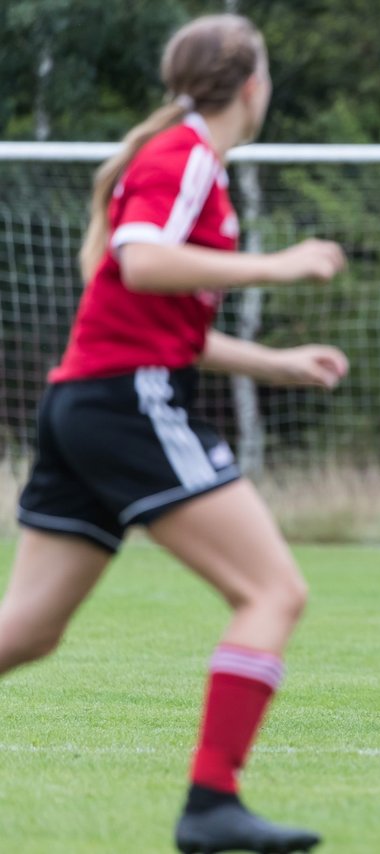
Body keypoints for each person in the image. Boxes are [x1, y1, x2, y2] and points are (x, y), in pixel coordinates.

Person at [0, 14, 345, 854]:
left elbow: (159, 316)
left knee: (29, 631)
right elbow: (142, 260)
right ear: (253, 87)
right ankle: (212, 804)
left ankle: (212, 806)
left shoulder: (191, 163)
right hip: (128, 404)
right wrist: (278, 264)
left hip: (90, 399)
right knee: (272, 593)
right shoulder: (186, 156)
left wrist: (277, 363)